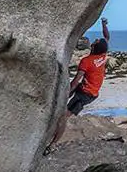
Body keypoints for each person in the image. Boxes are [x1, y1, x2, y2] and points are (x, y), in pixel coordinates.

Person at [44, 18, 110, 155]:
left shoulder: (87, 61)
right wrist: (104, 25)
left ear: (93, 47)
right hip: (87, 89)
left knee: (63, 117)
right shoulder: (103, 55)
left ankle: (53, 144)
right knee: (62, 108)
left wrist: (66, 93)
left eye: (95, 41)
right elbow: (107, 37)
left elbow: (76, 80)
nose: (94, 40)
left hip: (86, 94)